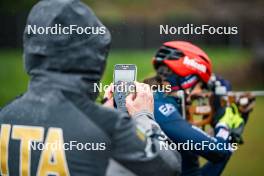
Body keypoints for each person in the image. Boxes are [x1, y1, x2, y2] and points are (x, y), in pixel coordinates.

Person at [0, 1, 181, 175]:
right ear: (93, 56)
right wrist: (143, 116)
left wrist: (98, 111)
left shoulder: (5, 115)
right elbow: (169, 166)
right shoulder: (111, 125)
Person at [144, 41, 255, 176]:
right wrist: (224, 124)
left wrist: (234, 130)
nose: (201, 94)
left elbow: (193, 174)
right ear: (187, 81)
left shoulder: (164, 104)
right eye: (201, 86)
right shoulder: (160, 107)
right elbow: (218, 152)